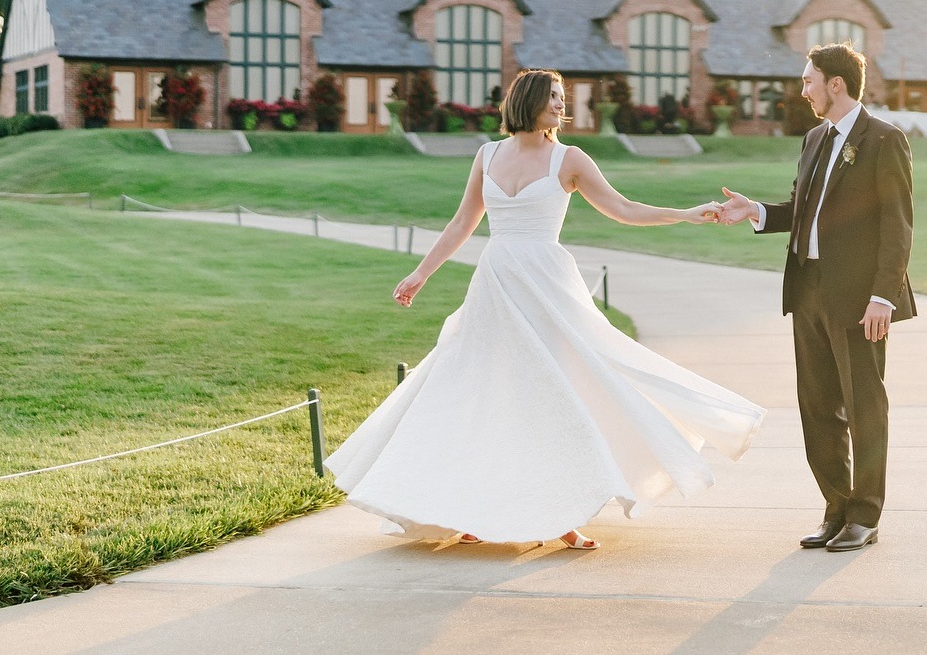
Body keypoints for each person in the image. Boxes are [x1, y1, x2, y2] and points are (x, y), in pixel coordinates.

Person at [325, 69, 764, 551]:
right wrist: (420, 274)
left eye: (562, 97)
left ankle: (563, 515)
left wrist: (683, 214)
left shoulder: (569, 158)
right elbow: (462, 222)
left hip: (547, 287)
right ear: (528, 100)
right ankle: (471, 508)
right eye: (553, 97)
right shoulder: (487, 154)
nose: (561, 105)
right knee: (484, 394)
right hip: (495, 286)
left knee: (557, 395)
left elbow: (623, 208)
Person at [718, 43, 914, 552]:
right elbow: (802, 209)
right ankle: (835, 508)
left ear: (836, 84)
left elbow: (897, 225)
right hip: (807, 291)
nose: (802, 90)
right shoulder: (813, 139)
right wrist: (757, 211)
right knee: (817, 406)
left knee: (864, 404)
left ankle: (865, 516)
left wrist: (882, 297)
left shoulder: (884, 140)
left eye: (808, 81)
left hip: (859, 299)